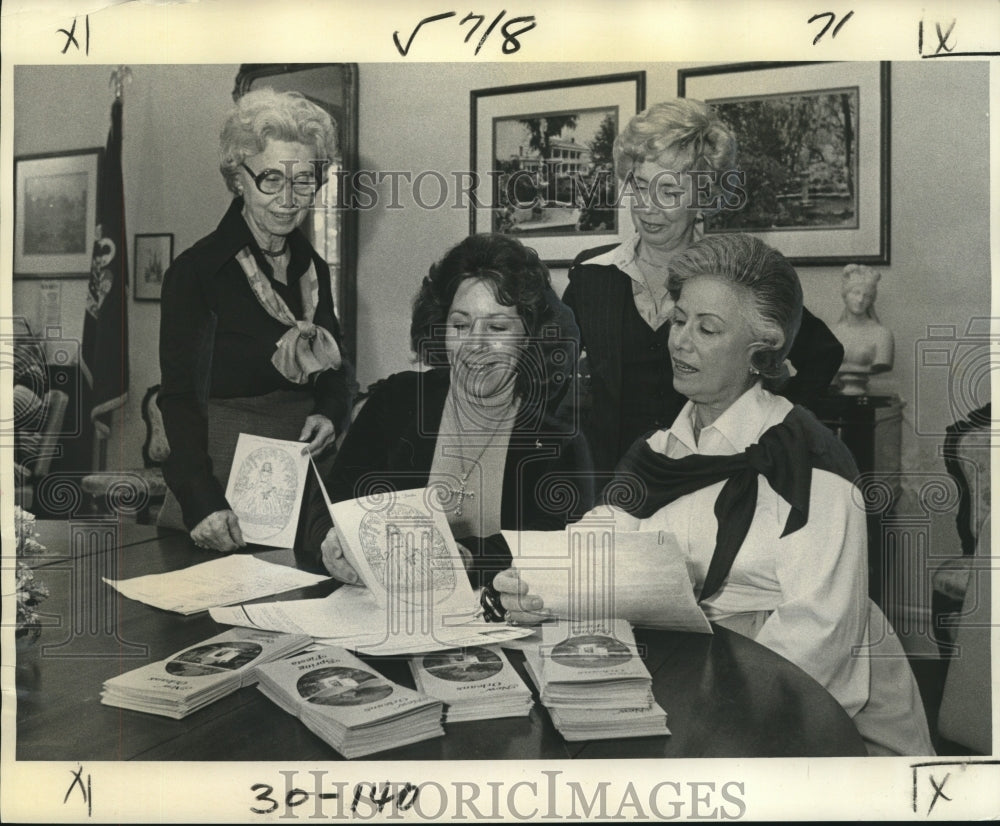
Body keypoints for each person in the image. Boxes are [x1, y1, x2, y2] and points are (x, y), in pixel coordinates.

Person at [495, 233, 933, 756]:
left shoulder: (808, 461)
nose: (680, 341)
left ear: (761, 350)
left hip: (813, 716)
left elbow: (817, 639)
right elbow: (604, 541)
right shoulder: (661, 448)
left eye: (707, 328)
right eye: (679, 320)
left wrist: (703, 716)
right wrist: (536, 583)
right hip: (696, 684)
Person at [563, 99, 845, 476]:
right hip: (610, 486)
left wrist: (771, 429)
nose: (648, 208)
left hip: (707, 482)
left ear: (703, 199)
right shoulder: (592, 274)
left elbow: (823, 353)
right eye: (641, 187)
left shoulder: (735, 275)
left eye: (671, 194)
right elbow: (546, 375)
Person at [297, 233, 592, 586]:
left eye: (497, 327)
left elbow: (554, 549)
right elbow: (331, 502)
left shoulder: (557, 439)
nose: (474, 346)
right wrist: (330, 539)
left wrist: (466, 560)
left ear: (529, 336)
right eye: (461, 325)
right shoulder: (396, 401)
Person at [158, 88, 353, 551]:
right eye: (270, 178)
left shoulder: (315, 269)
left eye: (304, 180)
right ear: (237, 178)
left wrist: (328, 412)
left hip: (305, 475)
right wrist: (202, 501)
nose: (288, 199)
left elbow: (333, 367)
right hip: (221, 477)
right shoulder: (197, 272)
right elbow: (180, 399)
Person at [832, 264, 894, 395]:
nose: (860, 300)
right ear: (845, 295)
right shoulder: (831, 333)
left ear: (872, 300)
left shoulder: (882, 335)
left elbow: (883, 362)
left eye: (867, 296)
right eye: (855, 293)